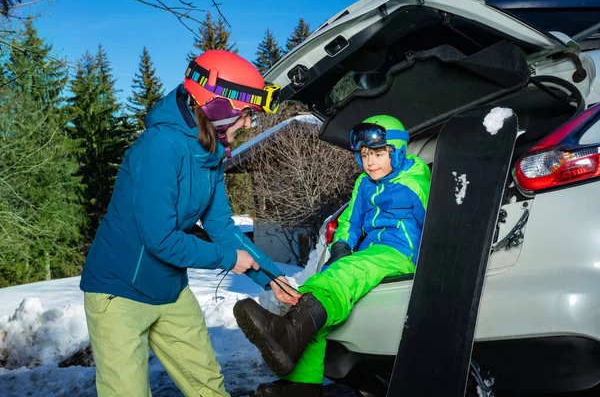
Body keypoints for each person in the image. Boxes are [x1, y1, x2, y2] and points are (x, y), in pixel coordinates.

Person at [79, 49, 301, 397]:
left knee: (207, 387)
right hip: (118, 292)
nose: (247, 125)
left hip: (169, 289)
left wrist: (272, 279)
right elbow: (160, 239)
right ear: (217, 108)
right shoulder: (160, 147)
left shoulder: (210, 153)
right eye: (245, 116)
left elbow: (223, 230)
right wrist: (228, 259)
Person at [233, 115, 431, 397]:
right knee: (316, 294)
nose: (370, 162)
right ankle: (303, 384)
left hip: (399, 253)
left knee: (346, 276)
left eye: (377, 153)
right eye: (364, 155)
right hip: (369, 254)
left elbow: (438, 223)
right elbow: (350, 222)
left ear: (397, 152)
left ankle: (289, 335)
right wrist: (340, 248)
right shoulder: (364, 183)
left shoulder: (416, 184)